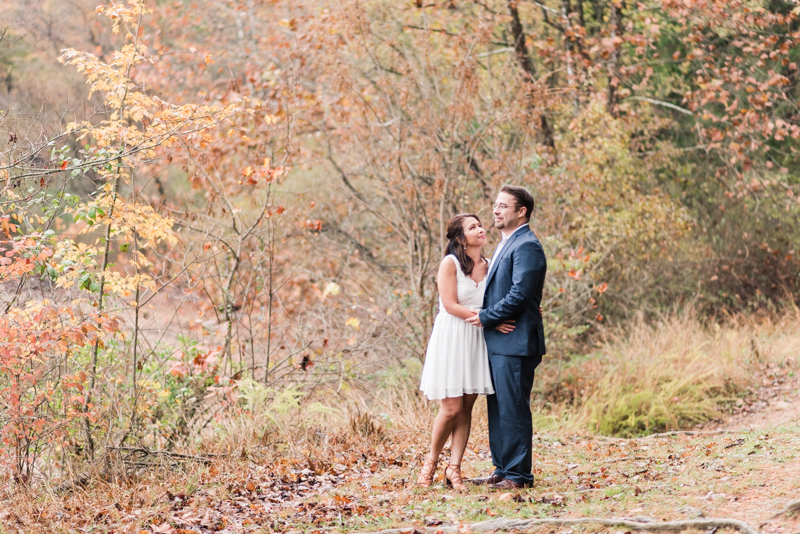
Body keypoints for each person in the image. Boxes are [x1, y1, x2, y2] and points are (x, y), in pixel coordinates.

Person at [417, 214, 516, 491]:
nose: (481, 229)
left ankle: (455, 468)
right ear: (461, 238)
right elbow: (449, 304)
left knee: (467, 407)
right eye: (473, 227)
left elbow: (506, 299)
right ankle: (431, 462)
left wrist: (526, 310)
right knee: (451, 408)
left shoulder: (491, 265)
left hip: (477, 338)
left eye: (480, 224)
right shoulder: (450, 264)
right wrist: (487, 316)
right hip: (452, 336)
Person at [465, 185, 547, 490]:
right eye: (495, 205)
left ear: (521, 211)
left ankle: (518, 476)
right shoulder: (506, 243)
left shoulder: (527, 244)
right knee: (498, 407)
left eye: (503, 206)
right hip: (500, 340)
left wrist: (486, 317)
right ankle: (501, 469)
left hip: (517, 340)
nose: (496, 211)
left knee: (513, 407)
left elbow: (520, 294)